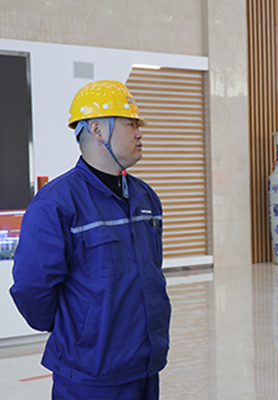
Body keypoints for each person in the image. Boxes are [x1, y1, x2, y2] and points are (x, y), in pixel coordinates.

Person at [10, 80, 171, 400]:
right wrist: (80, 331)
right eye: (130, 124)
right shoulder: (56, 204)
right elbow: (32, 288)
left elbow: (151, 270)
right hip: (90, 375)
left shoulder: (145, 197)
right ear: (97, 130)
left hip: (145, 365)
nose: (140, 133)